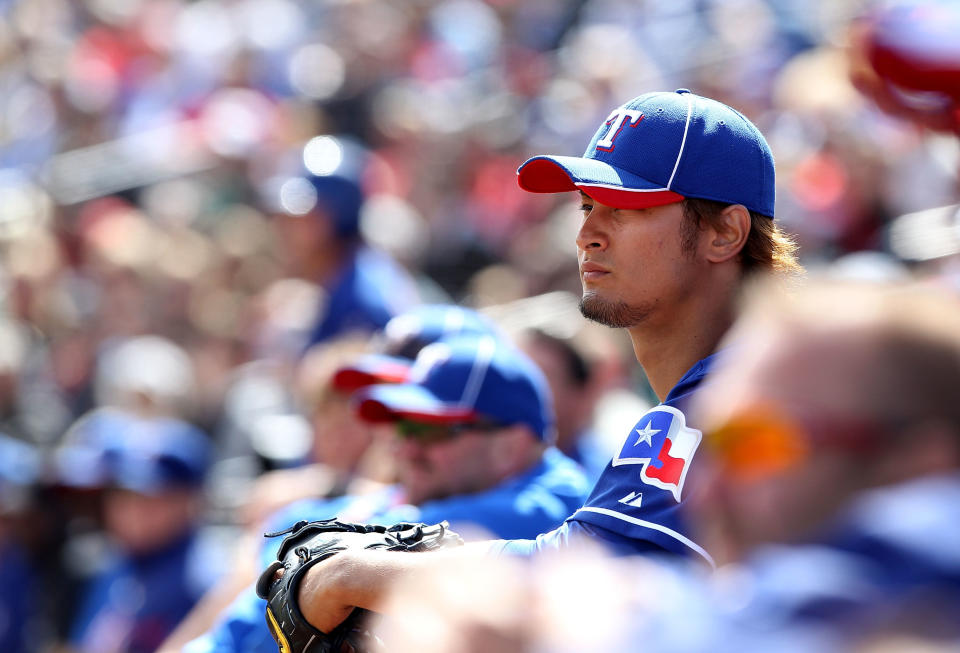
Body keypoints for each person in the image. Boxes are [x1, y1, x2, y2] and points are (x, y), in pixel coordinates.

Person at [282, 88, 803, 634]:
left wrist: (348, 575)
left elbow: (588, 577)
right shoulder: (748, 373)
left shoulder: (741, 393)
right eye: (587, 206)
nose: (587, 235)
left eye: (626, 208)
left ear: (726, 233)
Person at [176, 333, 590, 653]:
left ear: (510, 445)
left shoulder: (550, 499)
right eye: (403, 425)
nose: (402, 447)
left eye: (429, 430)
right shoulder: (416, 493)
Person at [64, 413, 224, 653]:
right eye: (121, 496)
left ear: (188, 500)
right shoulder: (116, 562)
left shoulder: (207, 580)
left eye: (149, 500)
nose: (131, 512)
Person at [268, 134, 421, 347]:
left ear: (337, 218)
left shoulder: (366, 301)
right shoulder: (345, 277)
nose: (284, 228)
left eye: (303, 218)